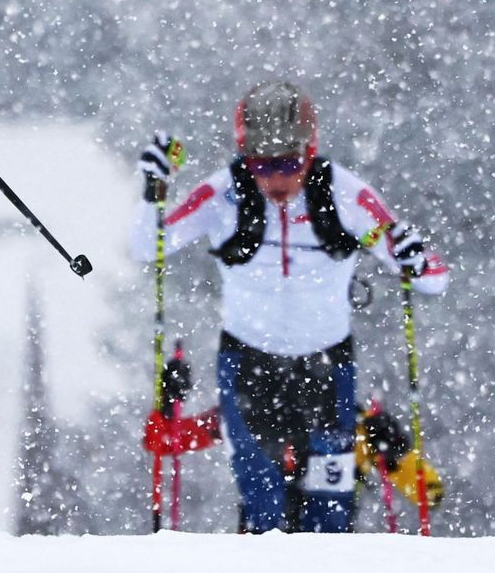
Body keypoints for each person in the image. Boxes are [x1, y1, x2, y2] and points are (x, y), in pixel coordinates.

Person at [131, 82, 450, 533]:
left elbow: (434, 278)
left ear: (309, 150)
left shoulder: (344, 194)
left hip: (326, 367)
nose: (275, 179)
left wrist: (418, 261)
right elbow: (149, 246)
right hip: (248, 365)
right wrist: (152, 189)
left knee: (330, 520)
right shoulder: (224, 194)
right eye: (261, 164)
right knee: (263, 515)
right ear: (244, 154)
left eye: (288, 164)